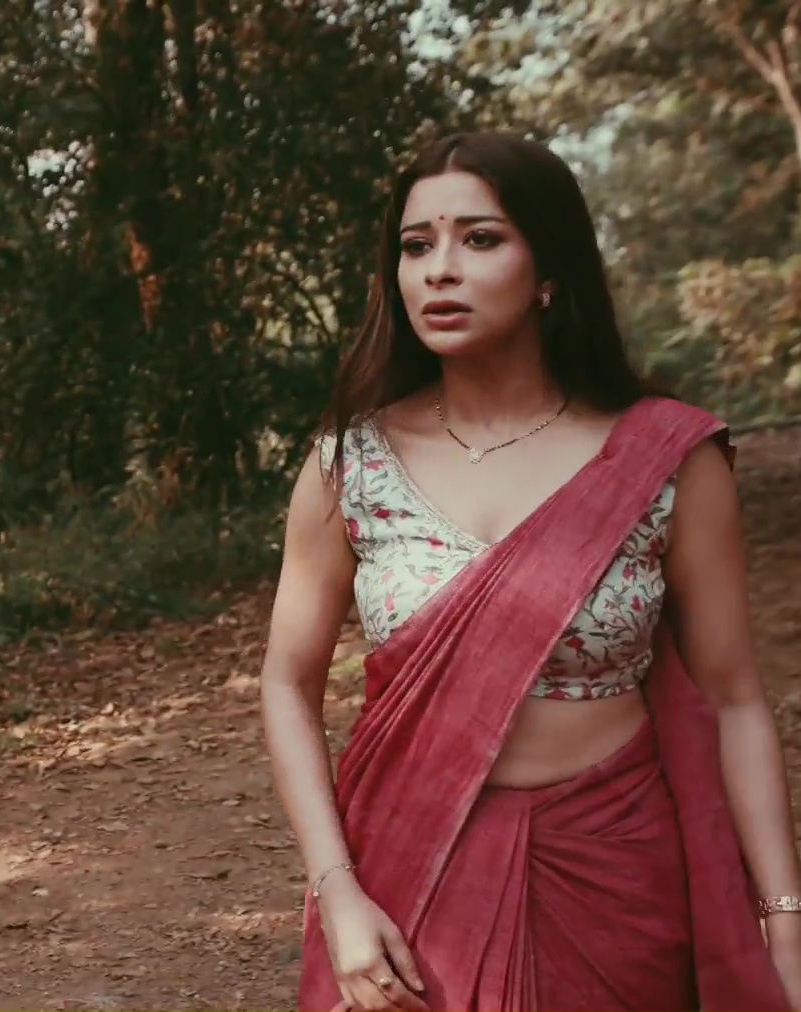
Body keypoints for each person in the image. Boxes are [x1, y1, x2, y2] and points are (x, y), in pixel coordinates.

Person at [258, 130, 801, 1012]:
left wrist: (785, 920)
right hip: (410, 879)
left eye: (480, 239)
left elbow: (734, 699)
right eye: (416, 246)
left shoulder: (664, 458)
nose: (440, 269)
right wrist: (337, 889)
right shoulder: (349, 465)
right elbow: (288, 683)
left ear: (549, 271)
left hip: (617, 875)